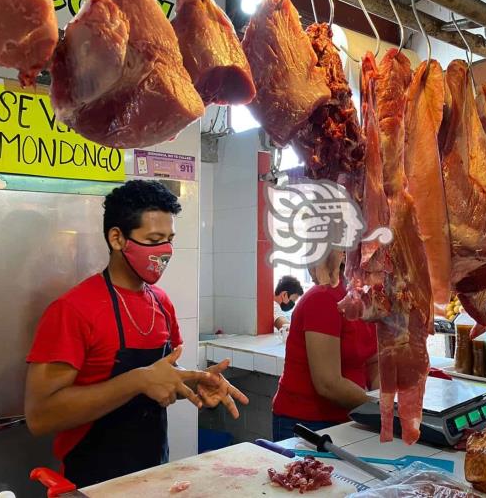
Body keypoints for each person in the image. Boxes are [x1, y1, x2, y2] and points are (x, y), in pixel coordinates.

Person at [25, 180, 248, 487]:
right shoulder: (73, 309)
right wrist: (136, 380)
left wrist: (194, 381)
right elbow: (40, 416)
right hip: (91, 482)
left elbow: (162, 374)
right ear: (117, 238)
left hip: (153, 474)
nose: (165, 251)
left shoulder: (161, 302)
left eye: (169, 239)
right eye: (154, 239)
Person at [272, 250, 378, 441]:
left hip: (349, 417)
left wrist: (384, 400)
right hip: (308, 422)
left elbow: (373, 362)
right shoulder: (322, 298)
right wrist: (381, 408)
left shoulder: (366, 299)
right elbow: (328, 384)